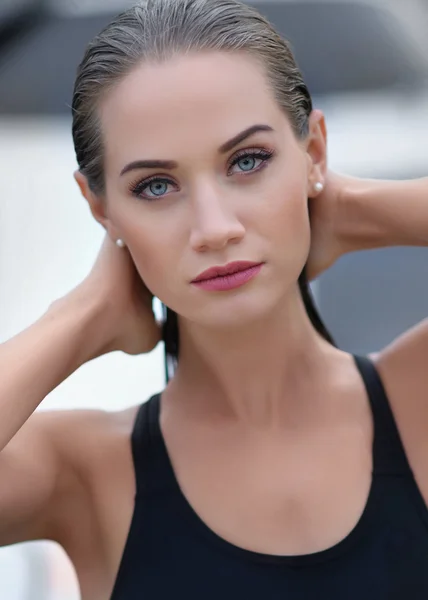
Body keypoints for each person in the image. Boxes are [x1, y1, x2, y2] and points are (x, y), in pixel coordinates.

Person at [0, 0, 427, 598]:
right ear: (100, 208)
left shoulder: (416, 398)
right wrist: (82, 318)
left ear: (314, 152)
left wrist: (361, 210)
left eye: (247, 161)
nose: (213, 227)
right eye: (155, 186)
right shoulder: (87, 473)